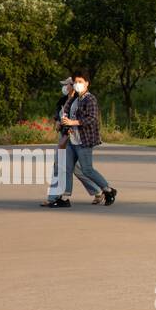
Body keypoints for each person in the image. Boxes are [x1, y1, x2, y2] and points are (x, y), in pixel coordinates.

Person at [42, 72, 117, 208]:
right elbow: (65, 111)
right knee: (66, 168)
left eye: (80, 82)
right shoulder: (74, 99)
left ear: (87, 83)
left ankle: (108, 190)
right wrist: (63, 122)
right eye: (75, 82)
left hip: (84, 141)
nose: (77, 84)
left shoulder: (90, 99)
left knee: (87, 170)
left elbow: (92, 119)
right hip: (71, 140)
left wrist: (73, 122)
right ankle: (64, 198)